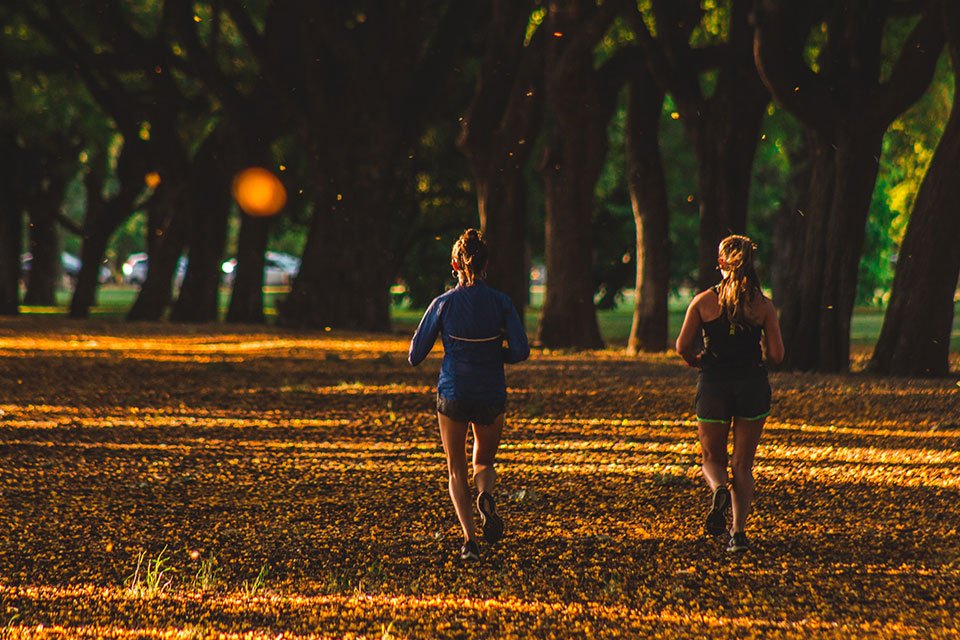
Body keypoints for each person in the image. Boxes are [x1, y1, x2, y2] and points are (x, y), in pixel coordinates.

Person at [408, 229, 530, 561]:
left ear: (454, 265)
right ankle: (485, 497)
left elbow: (415, 354)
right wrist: (494, 354)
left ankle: (469, 541)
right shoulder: (502, 303)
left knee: (456, 468)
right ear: (487, 264)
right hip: (490, 391)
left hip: (453, 392)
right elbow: (520, 350)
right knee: (484, 461)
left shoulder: (443, 304)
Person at [675, 235, 784, 553]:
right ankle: (738, 533)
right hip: (751, 386)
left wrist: (696, 361)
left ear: (721, 263)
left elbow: (682, 346)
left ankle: (718, 488)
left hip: (714, 385)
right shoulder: (763, 305)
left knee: (712, 458)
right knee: (743, 464)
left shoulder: (704, 301)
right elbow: (777, 355)